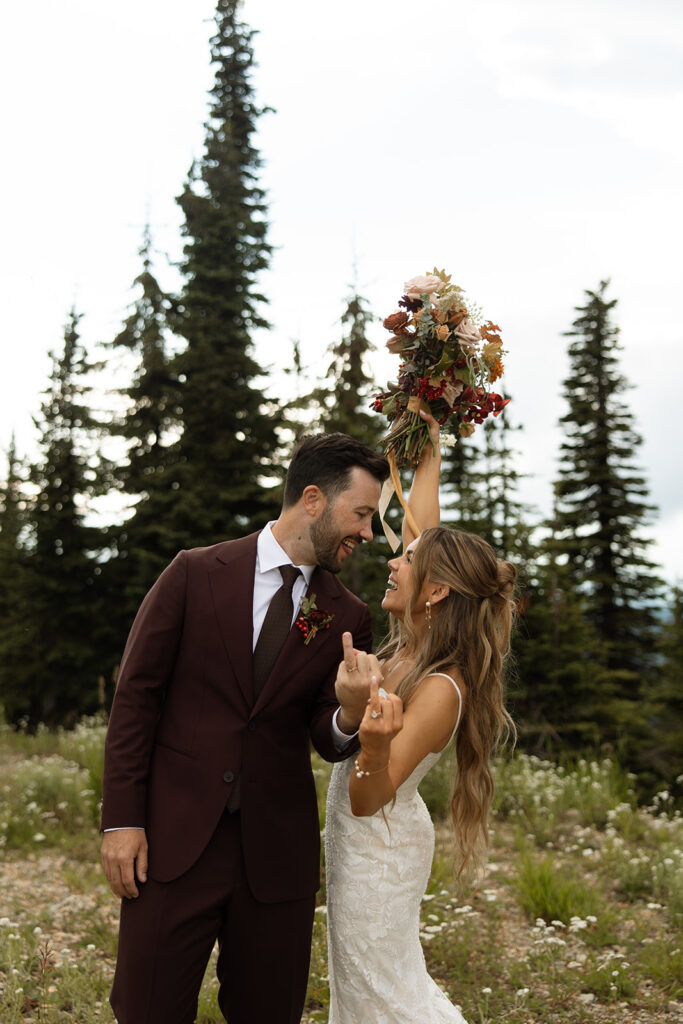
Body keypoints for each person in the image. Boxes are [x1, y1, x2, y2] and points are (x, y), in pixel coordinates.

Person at [100, 432, 389, 1024]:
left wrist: (352, 713)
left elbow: (325, 735)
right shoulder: (194, 573)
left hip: (275, 858)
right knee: (146, 1008)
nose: (367, 533)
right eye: (361, 514)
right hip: (173, 844)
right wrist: (123, 819)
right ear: (313, 499)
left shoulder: (349, 616)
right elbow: (135, 699)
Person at [325, 412, 516, 1023]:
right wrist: (427, 451)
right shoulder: (414, 643)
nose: (391, 561)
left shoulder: (440, 686)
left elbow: (369, 796)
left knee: (383, 991)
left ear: (435, 592)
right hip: (364, 844)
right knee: (361, 987)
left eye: (406, 560)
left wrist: (373, 744)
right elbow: (423, 530)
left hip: (378, 847)